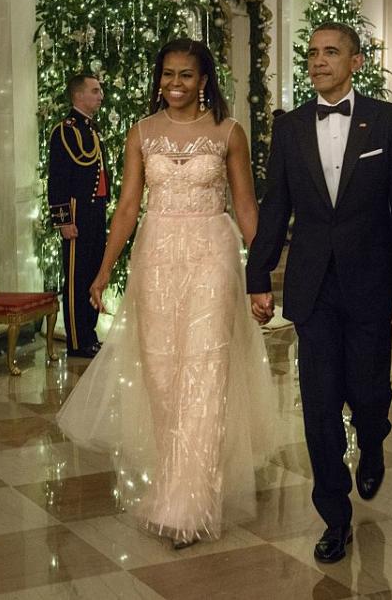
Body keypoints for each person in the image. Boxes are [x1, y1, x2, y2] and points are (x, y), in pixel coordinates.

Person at [56, 38, 279, 550]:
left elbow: (246, 207)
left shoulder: (229, 132)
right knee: (161, 375)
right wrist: (101, 271)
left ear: (204, 80)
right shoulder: (141, 133)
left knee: (205, 368)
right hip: (155, 258)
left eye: (185, 75)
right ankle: (176, 481)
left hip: (212, 255)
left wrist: (260, 274)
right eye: (167, 75)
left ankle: (191, 501)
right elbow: (128, 207)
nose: (174, 84)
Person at [246, 22, 392, 564]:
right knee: (319, 404)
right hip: (313, 286)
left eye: (331, 52)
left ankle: (373, 440)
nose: (319, 61)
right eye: (312, 53)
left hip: (372, 283)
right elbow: (275, 207)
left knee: (369, 392)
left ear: (356, 62)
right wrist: (258, 277)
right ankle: (334, 515)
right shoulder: (291, 127)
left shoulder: (391, 123)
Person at [47, 74, 110, 358]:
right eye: (95, 91)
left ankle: (90, 334)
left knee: (94, 271)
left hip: (95, 211)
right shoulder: (65, 130)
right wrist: (63, 220)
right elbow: (58, 178)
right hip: (76, 211)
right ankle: (76, 340)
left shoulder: (90, 129)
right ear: (78, 96)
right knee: (76, 277)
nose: (101, 96)